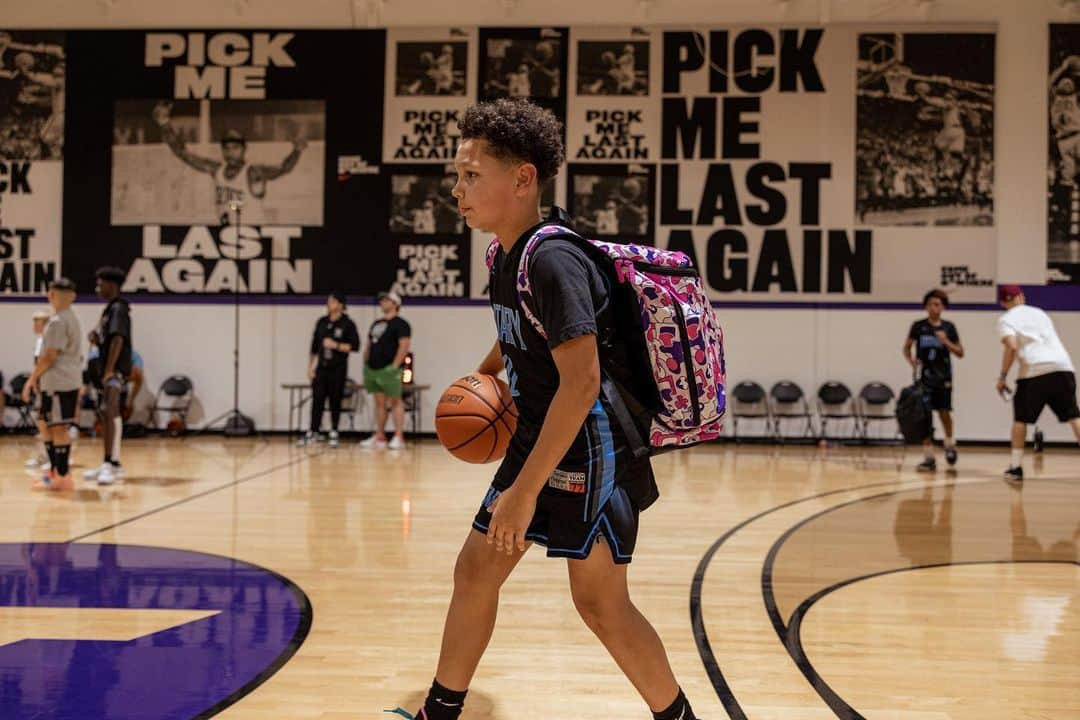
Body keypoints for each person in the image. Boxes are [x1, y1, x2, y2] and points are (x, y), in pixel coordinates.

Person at [397, 98, 700, 720]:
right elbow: (524, 333)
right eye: (457, 175)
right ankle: (439, 710)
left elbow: (582, 381)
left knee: (598, 604)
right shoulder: (503, 254)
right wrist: (484, 378)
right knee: (487, 575)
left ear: (522, 178)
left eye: (470, 175)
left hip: (586, 447)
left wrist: (524, 490)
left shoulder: (553, 260)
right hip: (550, 437)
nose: (457, 189)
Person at [151, 101, 307, 225]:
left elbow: (283, 169)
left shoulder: (253, 172)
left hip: (252, 235)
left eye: (235, 148)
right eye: (227, 148)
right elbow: (183, 154)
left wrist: (297, 151)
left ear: (244, 149)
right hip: (226, 235)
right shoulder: (217, 169)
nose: (230, 152)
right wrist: (164, 124)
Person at [996, 285, 1080, 481]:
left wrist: (1002, 376)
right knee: (1074, 416)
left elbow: (1012, 346)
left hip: (1034, 371)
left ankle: (1016, 468)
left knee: (1021, 420)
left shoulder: (1006, 319)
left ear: (1003, 302)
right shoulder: (1040, 313)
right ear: (1021, 297)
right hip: (1063, 367)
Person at [21, 278, 81, 491]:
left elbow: (49, 357)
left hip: (59, 382)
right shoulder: (70, 318)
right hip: (61, 381)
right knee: (48, 425)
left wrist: (31, 379)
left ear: (51, 295)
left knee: (58, 427)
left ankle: (62, 475)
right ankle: (54, 472)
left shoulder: (57, 322)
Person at [903, 289, 964, 472]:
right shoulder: (918, 326)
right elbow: (906, 347)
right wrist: (912, 361)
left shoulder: (949, 327)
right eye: (929, 304)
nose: (933, 307)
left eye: (936, 304)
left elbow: (960, 352)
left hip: (944, 377)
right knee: (924, 417)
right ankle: (929, 457)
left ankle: (949, 444)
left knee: (944, 413)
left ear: (943, 307)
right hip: (925, 378)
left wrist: (946, 341)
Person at [83, 267, 132, 486]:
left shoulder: (119, 309)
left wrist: (110, 369)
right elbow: (109, 338)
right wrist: (97, 339)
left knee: (109, 410)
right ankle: (112, 462)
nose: (97, 288)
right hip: (107, 368)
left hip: (115, 370)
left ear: (111, 286)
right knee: (108, 413)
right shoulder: (109, 309)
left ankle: (109, 463)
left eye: (100, 284)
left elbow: (118, 339)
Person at [299, 292, 360, 449]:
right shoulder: (322, 322)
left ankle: (334, 430)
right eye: (328, 301)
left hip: (338, 368)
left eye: (332, 301)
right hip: (321, 368)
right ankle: (313, 431)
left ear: (340, 305)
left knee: (335, 400)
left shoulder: (347, 324)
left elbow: (355, 346)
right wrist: (309, 367)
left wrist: (336, 345)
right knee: (317, 399)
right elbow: (314, 347)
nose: (328, 303)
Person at [360, 292, 411, 451]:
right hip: (373, 369)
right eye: (381, 300)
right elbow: (369, 343)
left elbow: (404, 345)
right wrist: (366, 360)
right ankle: (380, 435)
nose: (382, 302)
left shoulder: (401, 324)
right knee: (379, 403)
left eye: (386, 300)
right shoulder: (376, 323)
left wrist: (395, 366)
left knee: (395, 401)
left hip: (390, 369)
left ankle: (398, 436)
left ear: (395, 304)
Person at [24, 308, 52, 470]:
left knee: (46, 423)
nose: (34, 325)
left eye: (37, 321)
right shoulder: (40, 341)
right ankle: (43, 456)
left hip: (47, 386)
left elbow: (44, 364)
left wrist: (33, 381)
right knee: (41, 423)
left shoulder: (47, 341)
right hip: (40, 386)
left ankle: (51, 457)